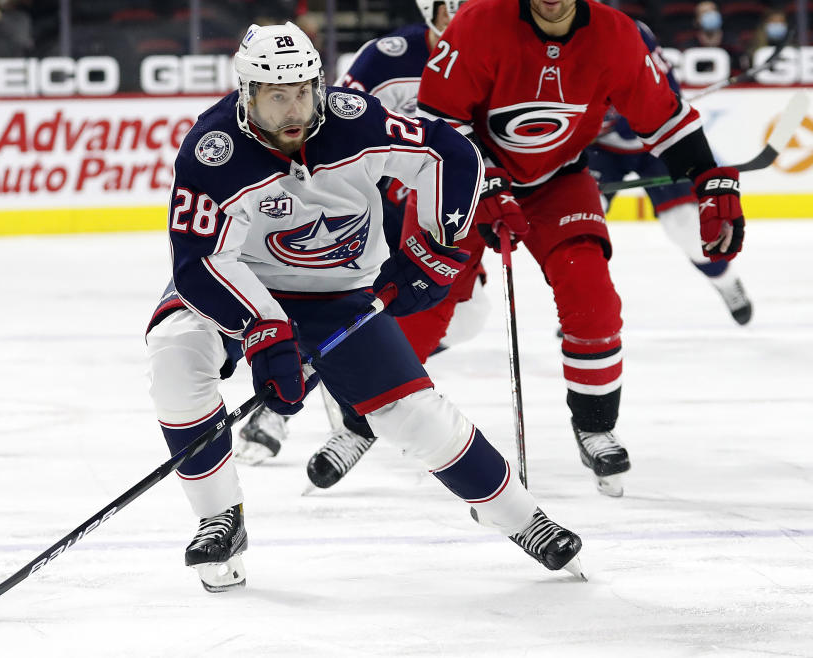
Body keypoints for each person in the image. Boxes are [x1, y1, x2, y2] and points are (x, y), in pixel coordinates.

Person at [145, 21, 583, 592]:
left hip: (337, 293)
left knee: (415, 416)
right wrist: (265, 331)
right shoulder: (213, 150)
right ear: (247, 93)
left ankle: (525, 519)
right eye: (277, 96)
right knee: (176, 356)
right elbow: (200, 261)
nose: (294, 109)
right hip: (238, 286)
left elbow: (448, 153)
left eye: (303, 90)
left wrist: (436, 242)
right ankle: (219, 519)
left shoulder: (355, 119)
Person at [414, 0, 746, 497]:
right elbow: (438, 119)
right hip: (469, 180)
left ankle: (594, 424)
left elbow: (664, 118)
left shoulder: (616, 34)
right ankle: (359, 416)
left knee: (591, 296)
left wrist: (710, 180)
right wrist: (484, 184)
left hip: (559, 180)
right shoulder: (479, 22)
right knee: (430, 305)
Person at [235, 2, 491, 489]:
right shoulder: (388, 57)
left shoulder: (497, 52)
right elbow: (330, 128)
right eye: (450, 14)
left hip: (438, 213)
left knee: (468, 315)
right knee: (342, 316)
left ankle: (358, 412)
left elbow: (490, 146)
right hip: (370, 218)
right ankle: (284, 413)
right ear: (429, 12)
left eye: (470, 14)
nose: (459, 26)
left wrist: (496, 190)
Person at [588, 19, 753, 325]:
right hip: (597, 149)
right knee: (585, 223)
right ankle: (582, 303)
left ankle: (726, 282)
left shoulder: (627, 31)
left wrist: (633, 112)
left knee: (685, 225)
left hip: (653, 142)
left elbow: (669, 88)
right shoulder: (542, 43)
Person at [680, 1, 745, 76]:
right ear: (696, 20)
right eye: (704, 12)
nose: (710, 15)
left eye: (713, 10)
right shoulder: (689, 47)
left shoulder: (733, 43)